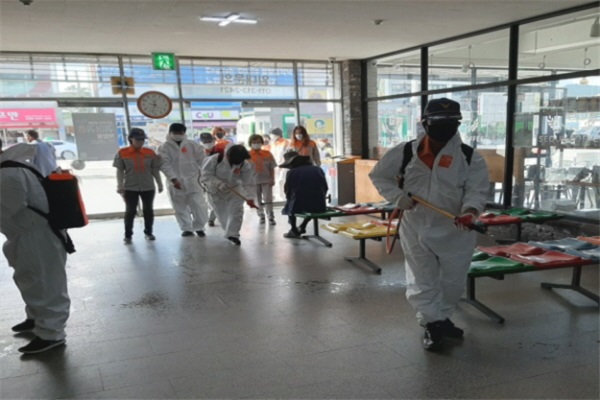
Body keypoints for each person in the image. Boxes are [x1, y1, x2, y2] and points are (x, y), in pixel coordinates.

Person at [369, 98, 489, 352]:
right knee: (422, 278)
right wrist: (398, 197)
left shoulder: (469, 157)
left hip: (455, 230)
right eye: (438, 122)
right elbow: (379, 175)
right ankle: (432, 323)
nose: (445, 127)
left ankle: (441, 318)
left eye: (451, 122)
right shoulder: (405, 152)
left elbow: (476, 191)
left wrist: (470, 212)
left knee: (452, 281)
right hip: (415, 226)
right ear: (425, 123)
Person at [0, 141, 70, 354]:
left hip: (36, 236)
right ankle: (36, 318)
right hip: (27, 234)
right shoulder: (12, 167)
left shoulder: (8, 174)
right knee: (30, 278)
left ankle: (51, 333)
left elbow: (6, 210)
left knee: (45, 283)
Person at [113, 128, 163, 244]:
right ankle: (128, 235)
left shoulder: (149, 152)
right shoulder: (122, 152)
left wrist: (159, 183)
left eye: (142, 139)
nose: (140, 142)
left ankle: (148, 232)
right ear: (131, 139)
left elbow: (155, 170)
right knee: (130, 211)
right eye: (138, 139)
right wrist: (119, 185)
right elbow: (119, 171)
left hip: (148, 186)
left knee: (148, 210)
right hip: (130, 187)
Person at [200, 144, 257, 245]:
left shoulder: (244, 164)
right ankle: (229, 231)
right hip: (215, 191)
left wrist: (250, 198)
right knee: (223, 214)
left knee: (237, 211)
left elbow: (248, 182)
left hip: (234, 188)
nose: (238, 163)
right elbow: (205, 176)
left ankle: (233, 234)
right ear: (228, 156)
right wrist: (218, 183)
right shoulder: (214, 160)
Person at [158, 123, 208, 237]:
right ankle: (187, 228)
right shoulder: (164, 147)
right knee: (179, 206)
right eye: (175, 133)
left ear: (184, 133)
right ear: (170, 133)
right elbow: (164, 164)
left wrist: (204, 177)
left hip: (193, 180)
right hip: (174, 182)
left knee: (199, 205)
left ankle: (199, 226)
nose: (178, 135)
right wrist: (173, 179)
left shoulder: (193, 145)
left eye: (180, 132)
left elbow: (203, 162)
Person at [280, 151, 328, 238]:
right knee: (312, 206)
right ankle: (303, 225)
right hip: (319, 205)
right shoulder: (318, 169)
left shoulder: (292, 172)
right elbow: (325, 187)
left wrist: (289, 199)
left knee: (289, 205)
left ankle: (293, 229)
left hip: (299, 205)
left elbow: (288, 190)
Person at [248, 134, 277, 225]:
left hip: (266, 180)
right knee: (257, 200)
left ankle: (270, 216)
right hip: (253, 181)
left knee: (268, 199)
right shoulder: (247, 155)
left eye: (258, 142)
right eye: (254, 142)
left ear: (262, 143)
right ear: (250, 143)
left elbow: (272, 168)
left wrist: (272, 178)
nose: (256, 144)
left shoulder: (267, 154)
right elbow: (244, 170)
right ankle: (261, 215)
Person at [199, 132, 218, 227]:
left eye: (209, 141)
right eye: (205, 142)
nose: (207, 143)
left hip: (217, 179)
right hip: (203, 180)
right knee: (208, 201)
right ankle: (209, 218)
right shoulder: (199, 152)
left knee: (216, 201)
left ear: (213, 140)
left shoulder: (219, 151)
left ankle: (212, 218)